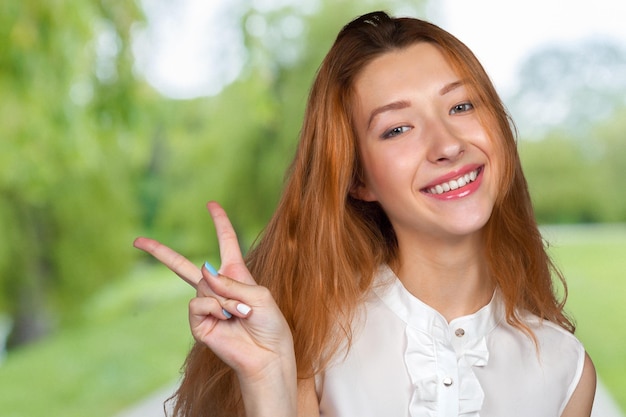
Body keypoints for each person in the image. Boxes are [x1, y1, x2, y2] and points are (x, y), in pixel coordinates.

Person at [134, 11, 597, 417]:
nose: (448, 144)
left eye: (460, 105)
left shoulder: (566, 368)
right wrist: (266, 378)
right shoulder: (310, 345)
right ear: (359, 179)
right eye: (397, 129)